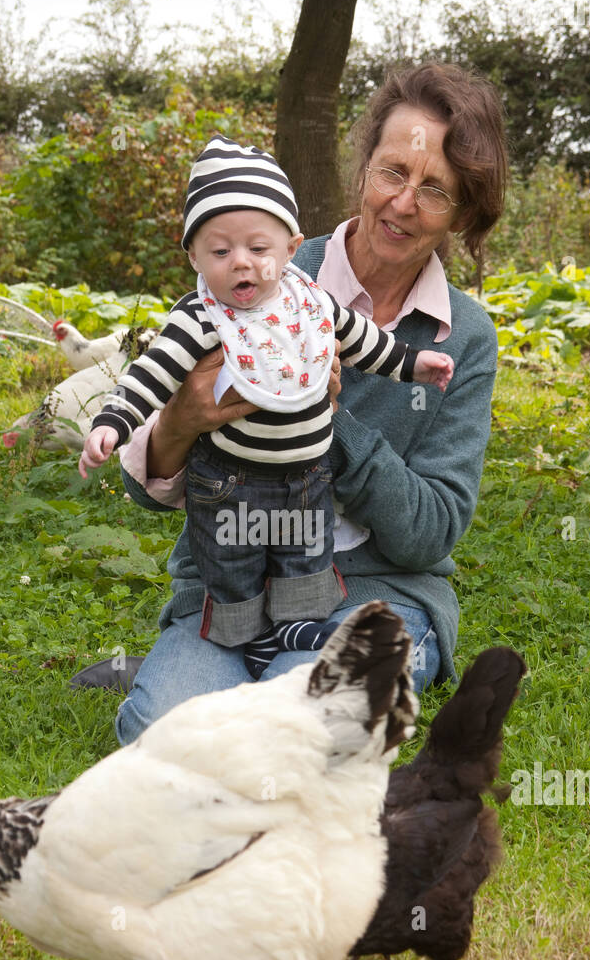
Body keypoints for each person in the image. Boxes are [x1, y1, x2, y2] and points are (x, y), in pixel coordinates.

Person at [72, 62, 508, 751]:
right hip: (233, 581)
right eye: (393, 171)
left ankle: (259, 683)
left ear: (464, 211)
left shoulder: (463, 337)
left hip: (376, 596)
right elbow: (142, 488)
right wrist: (183, 417)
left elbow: (429, 532)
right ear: (364, 169)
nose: (402, 204)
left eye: (434, 190)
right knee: (164, 732)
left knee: (308, 723)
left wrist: (324, 418)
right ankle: (204, 670)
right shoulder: (258, 265)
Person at [79, 134, 454, 677]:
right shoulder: (204, 316)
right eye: (220, 251)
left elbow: (364, 340)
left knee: (305, 551)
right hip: (232, 482)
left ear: (291, 247)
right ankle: (239, 639)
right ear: (192, 255)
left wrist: (416, 363)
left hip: (308, 475)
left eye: (258, 250)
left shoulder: (308, 301)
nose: (242, 267)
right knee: (233, 563)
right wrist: (114, 421)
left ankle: (295, 628)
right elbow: (153, 372)